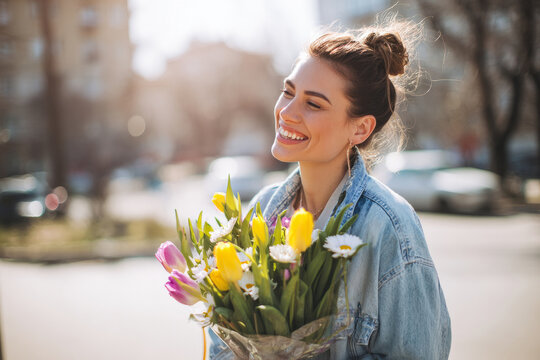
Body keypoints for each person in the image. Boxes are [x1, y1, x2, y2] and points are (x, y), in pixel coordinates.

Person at [210, 17, 451, 359]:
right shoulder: (261, 211)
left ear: (360, 129)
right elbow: (222, 344)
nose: (287, 113)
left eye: (313, 104)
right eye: (288, 92)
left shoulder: (389, 228)